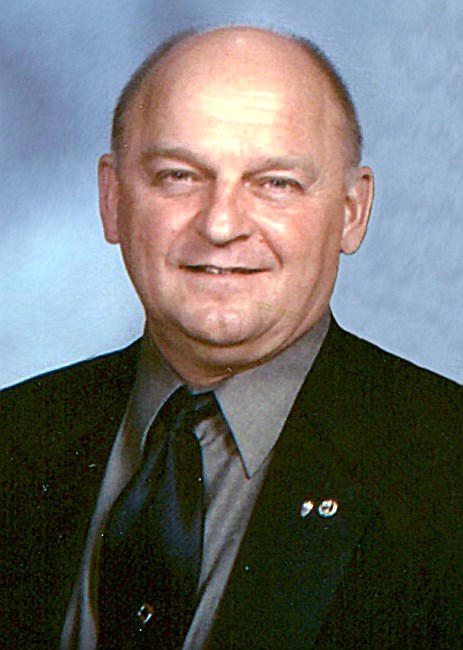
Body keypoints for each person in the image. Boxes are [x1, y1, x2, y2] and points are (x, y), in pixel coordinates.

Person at [1, 26, 461, 649]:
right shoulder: (15, 435)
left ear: (352, 212)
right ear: (112, 200)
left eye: (276, 183)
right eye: (179, 176)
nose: (220, 225)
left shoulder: (445, 468)